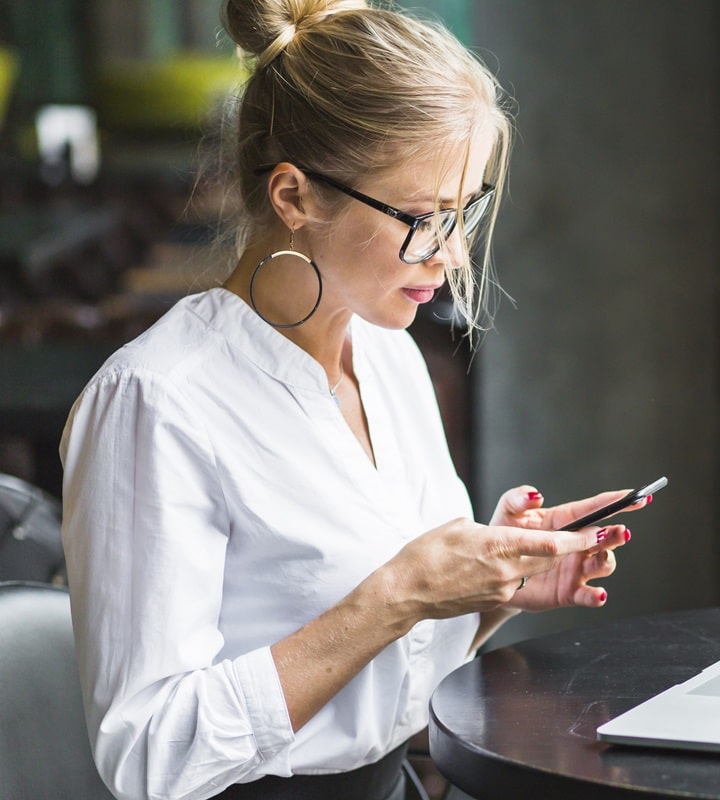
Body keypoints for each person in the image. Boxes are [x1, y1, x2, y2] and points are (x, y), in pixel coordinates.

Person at [58, 2, 643, 798]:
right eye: (422, 218)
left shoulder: (389, 357)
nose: (450, 254)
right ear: (294, 196)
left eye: (464, 212)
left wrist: (488, 595)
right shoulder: (157, 404)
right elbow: (149, 754)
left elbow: (389, 682)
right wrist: (398, 594)